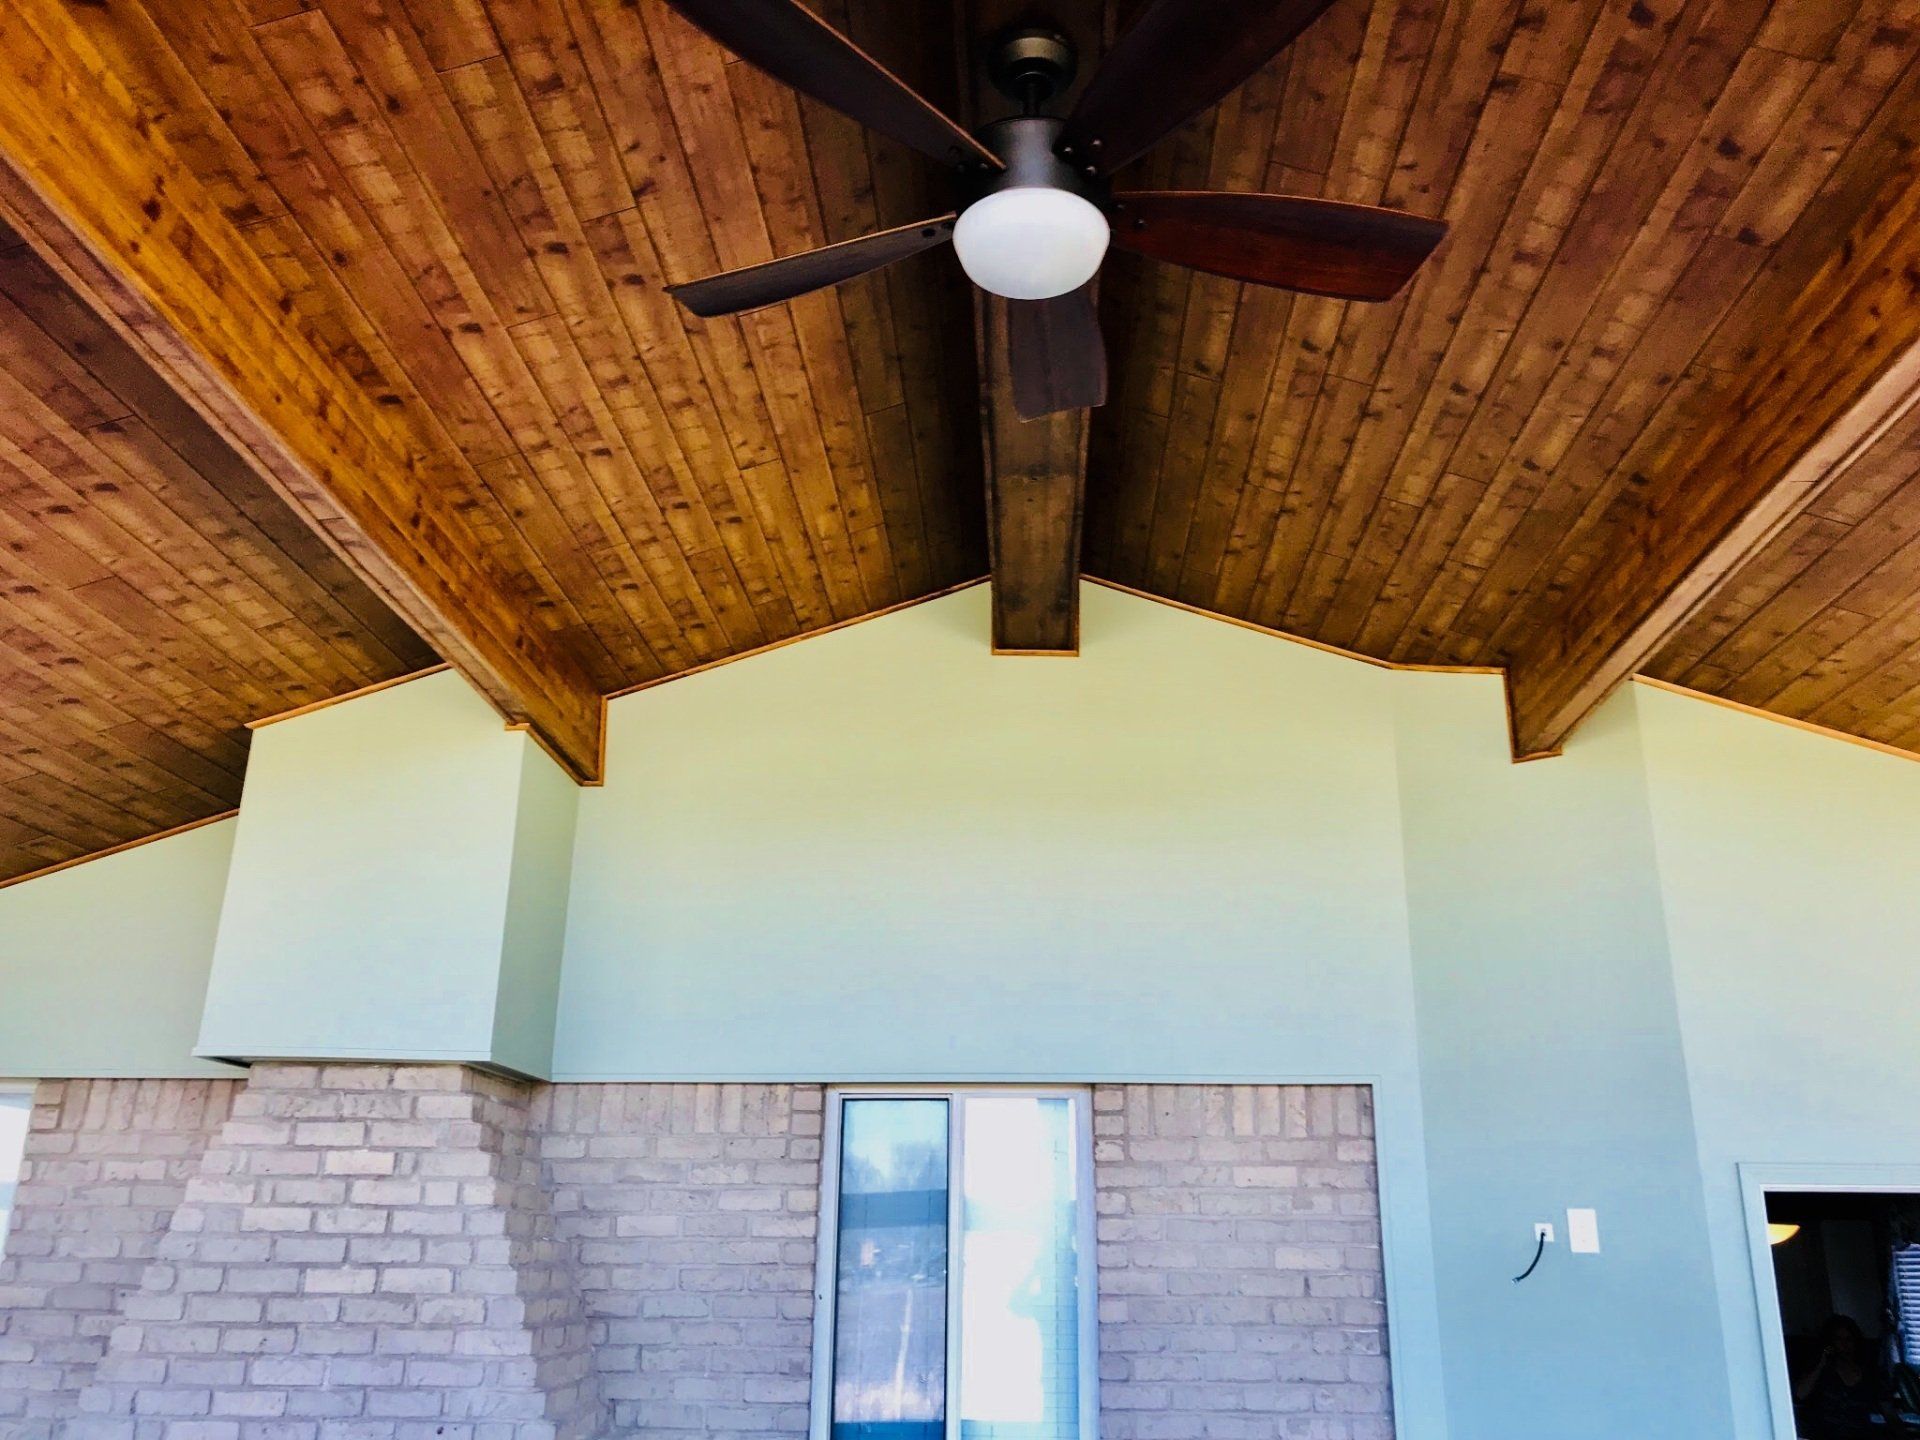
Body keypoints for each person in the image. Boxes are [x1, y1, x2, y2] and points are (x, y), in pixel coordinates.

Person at [1796, 1314, 1882, 1439]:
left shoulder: (1869, 1374)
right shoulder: (1820, 1372)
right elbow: (1799, 1394)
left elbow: (1888, 1410)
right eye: (1838, 1340)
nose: (1844, 1345)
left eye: (1848, 1339)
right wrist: (1821, 1364)